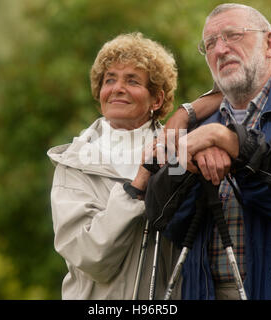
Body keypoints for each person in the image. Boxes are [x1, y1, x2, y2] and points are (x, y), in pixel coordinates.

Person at [145, 3, 271, 300]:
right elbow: (162, 217)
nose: (220, 49)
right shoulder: (198, 127)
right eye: (210, 44)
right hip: (206, 292)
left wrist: (227, 140)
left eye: (233, 35)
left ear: (269, 43)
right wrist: (186, 166)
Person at [47, 32, 182, 299]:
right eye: (110, 80)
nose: (117, 88)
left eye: (132, 80)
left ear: (156, 100)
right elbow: (90, 256)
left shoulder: (177, 153)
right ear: (99, 93)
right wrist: (136, 187)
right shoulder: (74, 163)